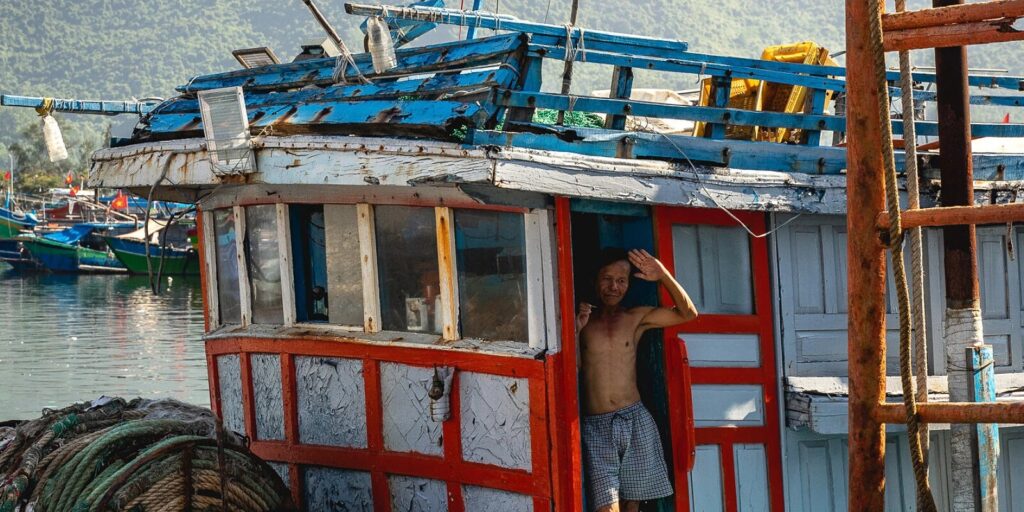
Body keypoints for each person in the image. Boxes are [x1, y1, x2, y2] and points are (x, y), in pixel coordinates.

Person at [577, 248, 698, 512]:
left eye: (621, 281)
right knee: (607, 508)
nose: (614, 287)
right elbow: (572, 368)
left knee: (633, 506)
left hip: (635, 420)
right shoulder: (582, 322)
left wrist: (663, 274)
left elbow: (688, 314)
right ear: (595, 280)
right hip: (597, 427)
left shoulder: (635, 318)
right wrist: (576, 330)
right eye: (607, 279)